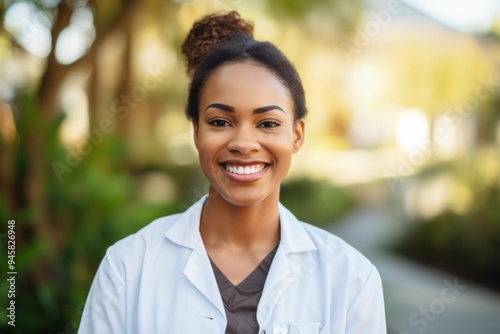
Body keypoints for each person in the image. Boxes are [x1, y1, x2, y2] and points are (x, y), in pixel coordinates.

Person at [78, 11, 386, 334]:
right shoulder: (127, 269)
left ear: (297, 135)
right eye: (220, 122)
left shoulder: (351, 280)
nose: (243, 143)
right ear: (196, 131)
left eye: (268, 123)